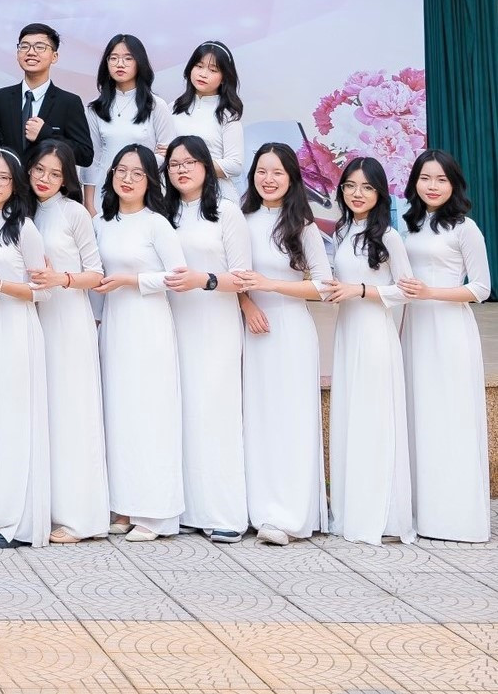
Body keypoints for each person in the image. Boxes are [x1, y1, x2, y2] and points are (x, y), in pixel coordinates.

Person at [231, 143, 329, 546]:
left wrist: (270, 285)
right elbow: (234, 275)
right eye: (261, 171)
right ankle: (260, 510)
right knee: (259, 419)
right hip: (254, 331)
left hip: (291, 330)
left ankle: (289, 515)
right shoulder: (240, 219)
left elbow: (324, 285)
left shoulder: (302, 225)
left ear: (291, 178)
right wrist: (247, 303)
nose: (268, 179)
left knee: (291, 419)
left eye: (277, 172)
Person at [94, 144, 186, 541]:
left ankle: (155, 513)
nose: (127, 179)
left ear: (150, 180)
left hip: (149, 326)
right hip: (114, 325)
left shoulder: (156, 224)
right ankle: (125, 506)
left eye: (137, 173)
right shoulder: (101, 222)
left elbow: (179, 276)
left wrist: (132, 281)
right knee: (119, 414)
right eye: (121, 170)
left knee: (151, 414)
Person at [162, 136, 252, 543]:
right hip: (173, 321)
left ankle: (225, 512)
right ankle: (189, 509)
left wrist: (205, 279)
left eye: (190, 162)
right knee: (182, 413)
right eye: (174, 164)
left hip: (215, 323)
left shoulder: (226, 212)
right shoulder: (163, 213)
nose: (181, 170)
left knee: (216, 412)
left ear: (206, 166)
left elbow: (243, 277)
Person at [398, 149, 490, 543]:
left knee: (450, 417)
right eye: (425, 178)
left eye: (441, 179)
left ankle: (456, 519)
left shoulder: (465, 228)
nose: (432, 186)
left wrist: (430, 292)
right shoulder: (409, 225)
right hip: (414, 329)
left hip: (449, 330)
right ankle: (423, 512)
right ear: (414, 182)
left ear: (454, 184)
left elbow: (481, 288)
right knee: (420, 415)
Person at [326, 157, 415, 544]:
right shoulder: (343, 230)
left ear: (380, 193)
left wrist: (361, 290)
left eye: (366, 187)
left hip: (376, 334)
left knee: (374, 418)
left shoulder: (389, 236)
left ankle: (383, 516)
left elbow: (407, 290)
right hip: (347, 332)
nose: (357, 193)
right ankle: (352, 511)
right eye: (350, 186)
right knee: (351, 417)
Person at [27, 141, 110, 543]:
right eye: (40, 170)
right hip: (33, 320)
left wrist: (61, 278)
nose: (45, 179)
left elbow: (96, 273)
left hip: (69, 320)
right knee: (42, 413)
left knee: (72, 412)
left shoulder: (74, 212)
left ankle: (80, 517)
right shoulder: (22, 211)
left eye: (55, 174)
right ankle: (42, 507)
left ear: (67, 179)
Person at [0, 147, 52, 549]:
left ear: (16, 183)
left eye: (3, 178)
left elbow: (43, 291)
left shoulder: (25, 227)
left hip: (17, 328)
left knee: (17, 422)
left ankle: (18, 523)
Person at [84, 34, 176, 214]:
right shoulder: (95, 108)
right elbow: (92, 158)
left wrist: (138, 167)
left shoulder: (156, 105)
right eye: (113, 58)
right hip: (104, 193)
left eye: (128, 58)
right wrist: (89, 203)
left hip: (145, 193)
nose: (120, 64)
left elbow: (168, 154)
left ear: (139, 62)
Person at [0, 23, 93, 168]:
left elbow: (85, 155)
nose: (31, 52)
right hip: (8, 180)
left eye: (40, 47)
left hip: (46, 181)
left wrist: (47, 134)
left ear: (54, 56)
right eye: (24, 46)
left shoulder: (69, 102)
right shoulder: (1, 97)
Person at [169, 42, 245, 202]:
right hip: (175, 194)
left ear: (224, 78)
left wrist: (191, 165)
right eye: (199, 66)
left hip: (215, 194)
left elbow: (235, 165)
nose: (203, 74)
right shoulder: (173, 107)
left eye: (213, 70)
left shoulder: (228, 114)